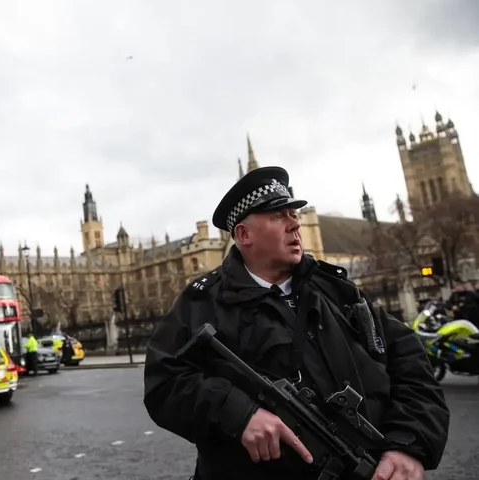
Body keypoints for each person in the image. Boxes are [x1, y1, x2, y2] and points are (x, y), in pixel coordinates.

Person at [143, 166, 450, 480]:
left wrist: (408, 444)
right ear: (244, 235)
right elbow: (164, 383)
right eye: (278, 216)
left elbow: (410, 362)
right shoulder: (203, 301)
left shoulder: (338, 290)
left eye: (293, 214)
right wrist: (239, 414)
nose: (294, 224)